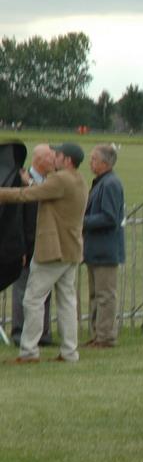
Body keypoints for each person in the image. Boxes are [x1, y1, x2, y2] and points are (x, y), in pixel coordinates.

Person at [0, 142, 88, 364]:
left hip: (53, 251)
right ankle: (70, 352)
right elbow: (46, 191)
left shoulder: (59, 179)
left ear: (67, 160)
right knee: (67, 302)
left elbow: (26, 195)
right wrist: (29, 181)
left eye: (58, 155)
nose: (54, 158)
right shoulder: (78, 179)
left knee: (33, 299)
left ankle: (29, 351)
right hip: (71, 249)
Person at [10, 145, 55, 347]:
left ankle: (42, 333)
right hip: (26, 246)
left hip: (45, 246)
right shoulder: (19, 181)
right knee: (23, 291)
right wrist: (20, 247)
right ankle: (20, 332)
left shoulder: (50, 182)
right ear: (39, 160)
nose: (54, 161)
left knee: (44, 292)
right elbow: (16, 219)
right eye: (50, 158)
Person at [82, 144, 125, 348]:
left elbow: (110, 217)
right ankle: (97, 334)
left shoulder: (110, 184)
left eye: (94, 159)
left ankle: (106, 336)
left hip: (106, 249)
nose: (90, 163)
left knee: (105, 296)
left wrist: (82, 221)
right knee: (95, 295)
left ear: (105, 163)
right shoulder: (101, 182)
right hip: (95, 249)